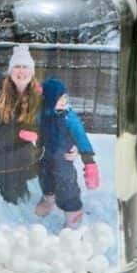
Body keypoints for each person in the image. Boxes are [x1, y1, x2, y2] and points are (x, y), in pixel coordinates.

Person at [34, 77, 100, 229]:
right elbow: (34, 129)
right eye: (60, 98)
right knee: (44, 177)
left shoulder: (69, 117)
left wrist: (89, 162)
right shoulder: (41, 114)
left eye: (65, 97)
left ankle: (74, 213)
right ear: (49, 100)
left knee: (66, 185)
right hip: (46, 156)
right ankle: (48, 199)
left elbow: (81, 137)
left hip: (64, 159)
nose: (65, 101)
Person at [0, 44, 42, 204]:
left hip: (27, 149)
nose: (21, 71)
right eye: (17, 67)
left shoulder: (40, 96)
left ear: (32, 71)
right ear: (10, 71)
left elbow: (49, 124)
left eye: (25, 67)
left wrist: (36, 134)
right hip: (2, 146)